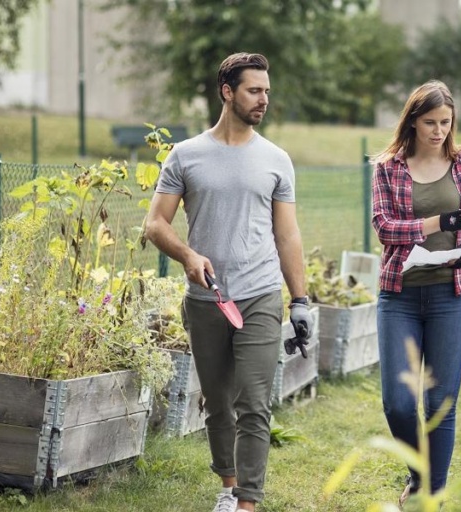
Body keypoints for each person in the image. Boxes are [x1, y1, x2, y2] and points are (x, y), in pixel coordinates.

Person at [144, 52, 313, 512]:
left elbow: (287, 233)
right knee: (217, 403)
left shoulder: (276, 160)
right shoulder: (187, 155)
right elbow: (155, 224)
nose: (263, 100)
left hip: (260, 295)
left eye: (267, 92)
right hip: (207, 299)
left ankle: (247, 503)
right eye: (254, 91)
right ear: (227, 91)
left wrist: (299, 300)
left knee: (254, 402)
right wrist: (187, 255)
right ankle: (228, 485)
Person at [370, 80, 461, 506]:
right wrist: (440, 222)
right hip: (399, 296)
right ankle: (420, 472)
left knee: (440, 402)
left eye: (445, 122)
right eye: (429, 122)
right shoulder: (388, 167)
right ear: (413, 122)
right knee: (398, 405)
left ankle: (432, 495)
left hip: (451, 297)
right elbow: (384, 228)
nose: (438, 130)